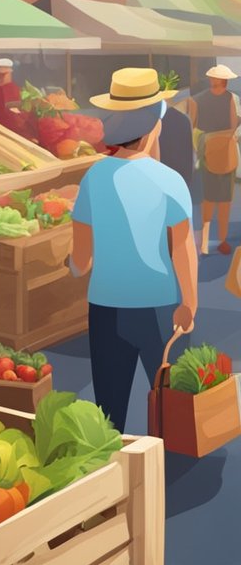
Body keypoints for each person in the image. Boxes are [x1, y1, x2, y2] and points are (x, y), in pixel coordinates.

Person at [72, 68, 197, 432]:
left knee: (109, 408)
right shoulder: (169, 180)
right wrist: (190, 302)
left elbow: (82, 261)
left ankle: (115, 474)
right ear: (153, 126)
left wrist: (73, 265)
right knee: (169, 402)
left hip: (106, 307)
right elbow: (183, 250)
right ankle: (163, 471)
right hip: (159, 306)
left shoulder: (93, 177)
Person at [191, 65, 239, 254]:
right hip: (226, 153)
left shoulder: (197, 100)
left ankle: (204, 243)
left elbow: (192, 128)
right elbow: (235, 128)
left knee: (207, 200)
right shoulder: (232, 99)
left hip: (206, 153)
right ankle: (223, 241)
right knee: (225, 201)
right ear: (224, 81)